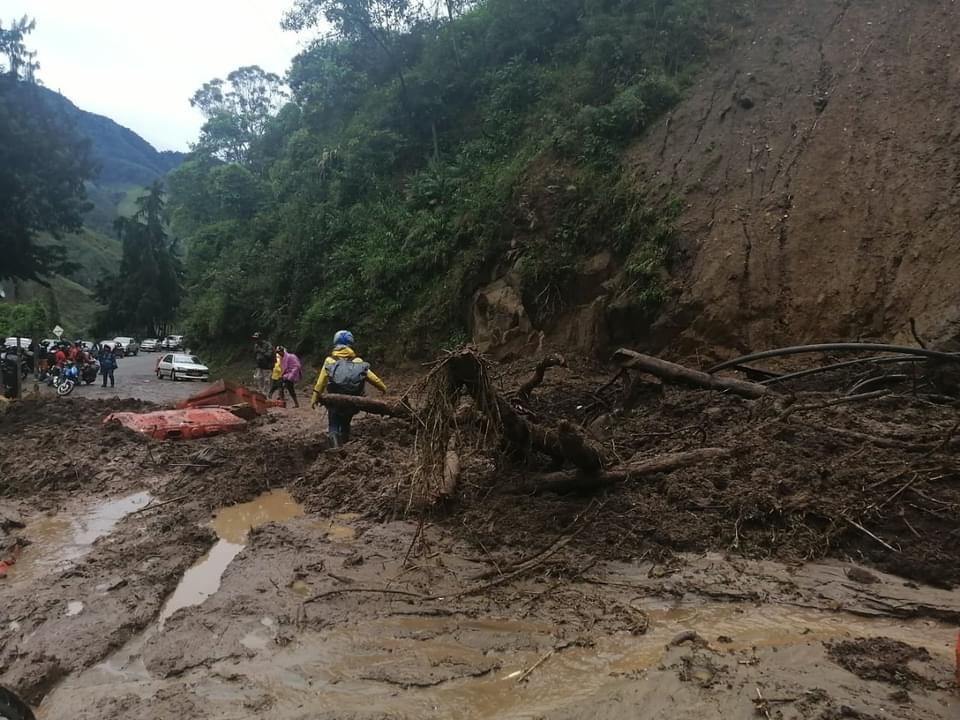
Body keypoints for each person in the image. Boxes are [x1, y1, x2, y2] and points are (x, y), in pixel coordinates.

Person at [310, 330, 387, 446]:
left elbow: (320, 383)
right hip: (352, 402)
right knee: (346, 423)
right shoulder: (358, 361)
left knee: (333, 424)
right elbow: (373, 379)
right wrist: (383, 388)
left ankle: (336, 449)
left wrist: (315, 397)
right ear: (351, 344)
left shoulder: (330, 361)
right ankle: (345, 446)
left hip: (334, 401)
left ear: (335, 344)